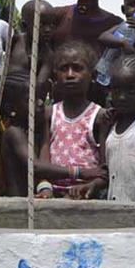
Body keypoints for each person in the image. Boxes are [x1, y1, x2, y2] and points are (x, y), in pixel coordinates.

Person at [74, 55, 135, 203]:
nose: (122, 97)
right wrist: (93, 185)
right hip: (117, 209)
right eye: (117, 91)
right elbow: (106, 170)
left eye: (131, 91)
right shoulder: (111, 124)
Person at [37, 40, 109, 198]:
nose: (70, 75)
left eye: (77, 68)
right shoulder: (50, 114)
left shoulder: (99, 116)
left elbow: (104, 172)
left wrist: (89, 186)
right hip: (52, 194)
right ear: (55, 76)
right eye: (63, 69)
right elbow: (43, 165)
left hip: (86, 196)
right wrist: (45, 188)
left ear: (92, 75)